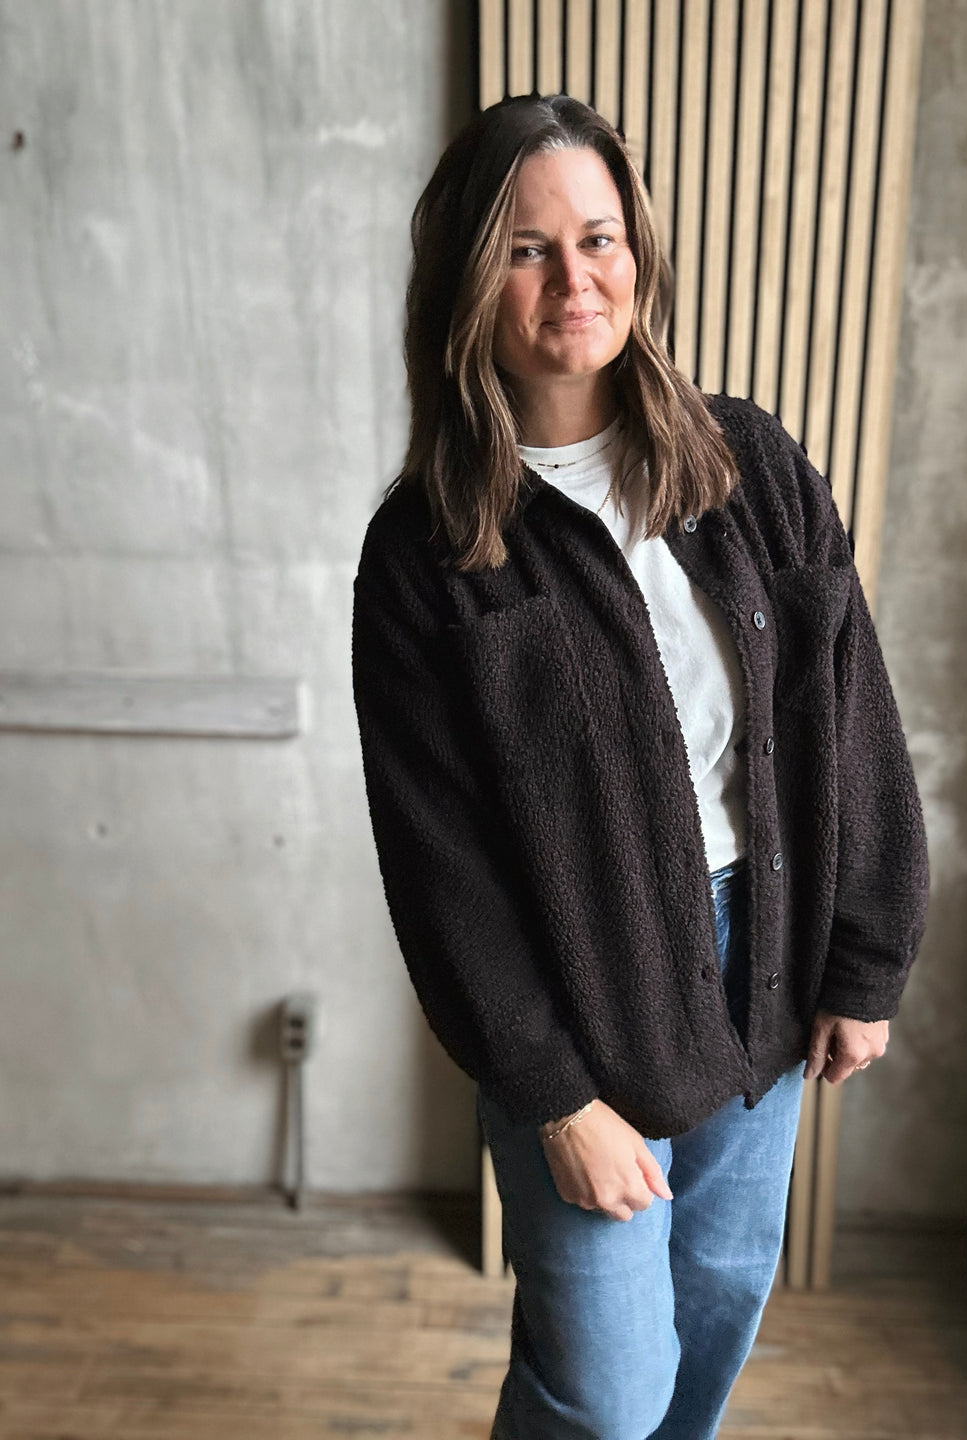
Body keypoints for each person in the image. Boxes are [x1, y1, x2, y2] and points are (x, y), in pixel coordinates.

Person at [351, 93, 929, 1440]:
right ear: (464, 274)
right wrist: (554, 1095)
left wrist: (866, 960)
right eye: (525, 248)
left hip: (768, 974)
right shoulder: (429, 554)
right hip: (577, 1001)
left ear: (640, 251)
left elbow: (851, 718)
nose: (574, 279)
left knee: (715, 1322)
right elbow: (445, 870)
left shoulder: (750, 465)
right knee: (607, 1391)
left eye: (597, 238)